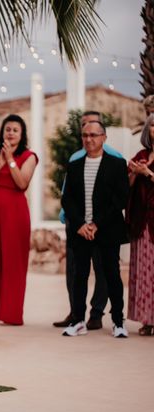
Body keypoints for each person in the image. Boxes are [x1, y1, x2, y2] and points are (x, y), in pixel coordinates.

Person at [61, 120, 129, 338]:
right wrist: (81, 224)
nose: (89, 139)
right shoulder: (74, 166)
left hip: (107, 230)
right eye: (85, 135)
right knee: (79, 276)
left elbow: (120, 199)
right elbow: (67, 199)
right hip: (80, 231)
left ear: (104, 138)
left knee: (111, 275)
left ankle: (118, 322)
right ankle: (78, 320)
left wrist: (96, 223)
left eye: (94, 135)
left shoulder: (117, 165)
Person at [53, 111, 117, 330]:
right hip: (76, 224)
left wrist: (97, 222)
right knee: (74, 270)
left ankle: (97, 313)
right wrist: (72, 219)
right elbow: (67, 191)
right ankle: (75, 312)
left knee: (103, 271)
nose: (88, 135)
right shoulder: (75, 158)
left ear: (102, 133)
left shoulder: (114, 157)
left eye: (92, 129)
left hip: (103, 226)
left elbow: (116, 196)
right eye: (84, 128)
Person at [0, 114, 38, 326]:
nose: (11, 133)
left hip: (15, 211)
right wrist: (1, 162)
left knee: (14, 261)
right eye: (8, 129)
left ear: (22, 134)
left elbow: (22, 183)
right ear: (2, 132)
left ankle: (11, 313)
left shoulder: (29, 156)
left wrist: (12, 161)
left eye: (15, 130)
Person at [126, 113, 154, 336]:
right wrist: (135, 174)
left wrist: (149, 173)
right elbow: (126, 186)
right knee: (144, 269)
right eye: (153, 124)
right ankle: (148, 319)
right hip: (141, 221)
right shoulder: (141, 154)